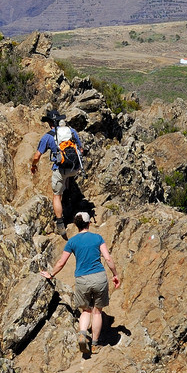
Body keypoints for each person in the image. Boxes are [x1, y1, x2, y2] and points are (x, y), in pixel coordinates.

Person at [40, 211, 121, 355]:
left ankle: (83, 334)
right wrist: (115, 274)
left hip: (82, 279)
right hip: (99, 277)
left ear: (76, 225)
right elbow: (108, 259)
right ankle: (95, 344)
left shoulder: (72, 241)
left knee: (86, 310)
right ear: (89, 223)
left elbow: (61, 262)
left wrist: (50, 274)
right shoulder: (97, 238)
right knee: (97, 312)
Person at [31, 109, 84, 236]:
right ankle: (68, 190)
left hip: (60, 169)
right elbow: (81, 150)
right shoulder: (71, 131)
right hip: (75, 168)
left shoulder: (48, 136)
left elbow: (37, 156)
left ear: (49, 122)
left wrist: (33, 166)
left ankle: (60, 224)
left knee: (56, 196)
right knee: (68, 178)